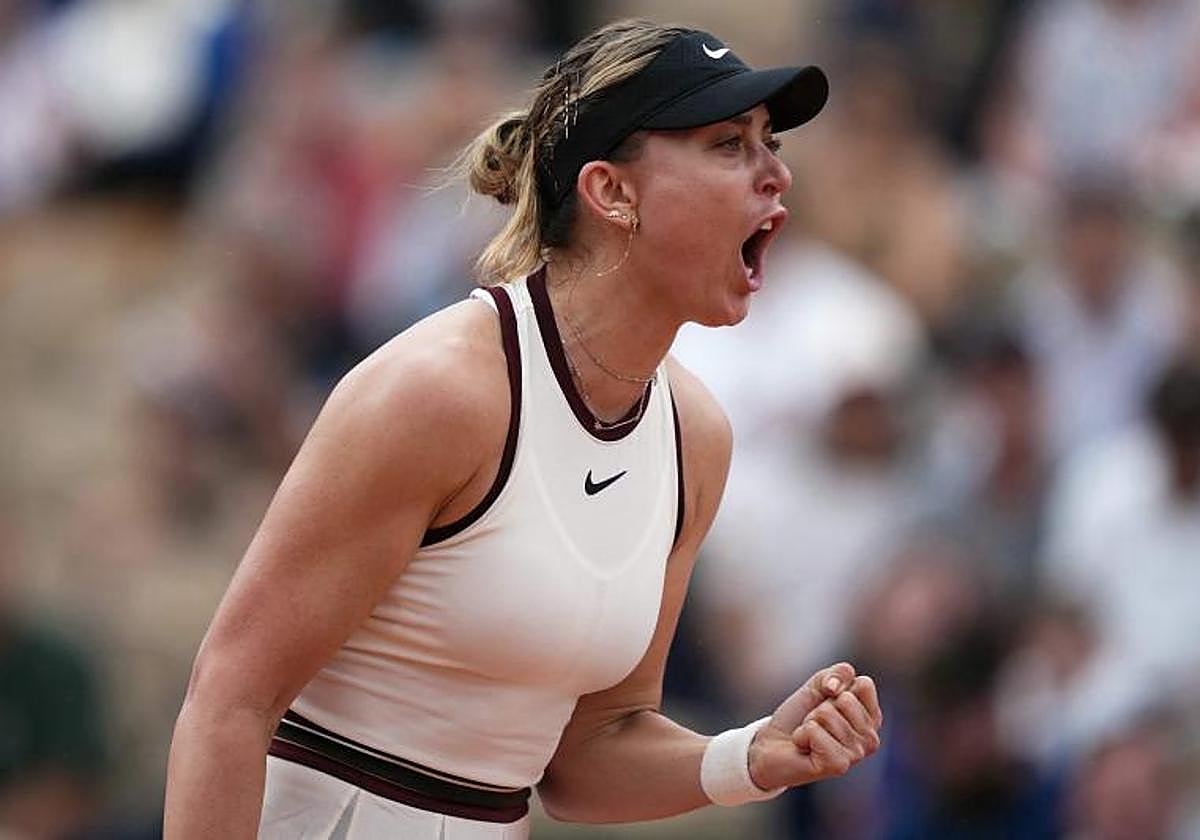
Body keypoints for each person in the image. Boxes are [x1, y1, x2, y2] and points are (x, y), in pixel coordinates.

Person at [164, 19, 884, 839]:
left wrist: (751, 754)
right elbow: (227, 700)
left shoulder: (695, 436)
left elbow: (585, 762)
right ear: (612, 192)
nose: (776, 173)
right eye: (728, 144)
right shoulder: (438, 393)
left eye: (771, 143)